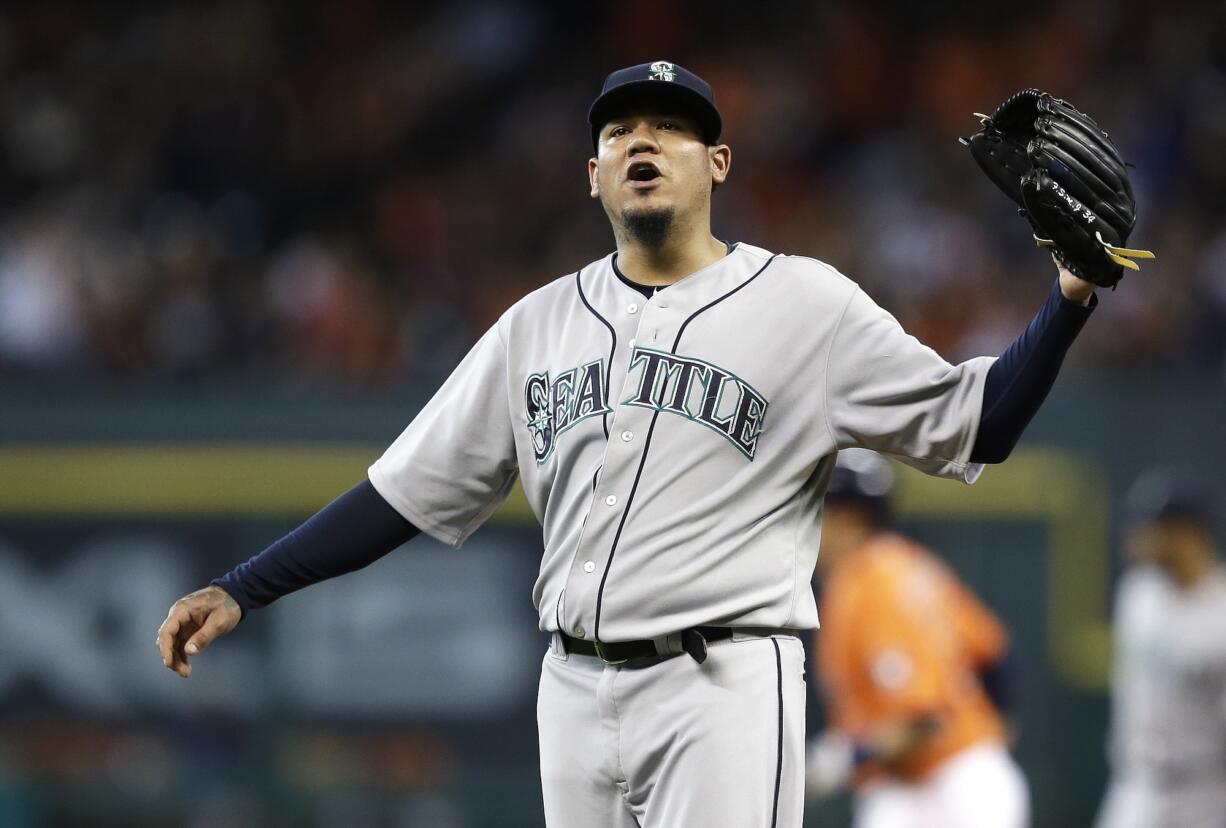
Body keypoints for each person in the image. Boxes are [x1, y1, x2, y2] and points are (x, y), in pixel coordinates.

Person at [157, 61, 1109, 826]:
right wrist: (244, 587)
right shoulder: (534, 327)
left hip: (723, 682)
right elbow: (400, 493)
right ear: (595, 174)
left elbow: (976, 424)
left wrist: (1068, 297)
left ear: (718, 164)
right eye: (619, 131)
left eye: (671, 127)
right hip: (570, 686)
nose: (642, 140)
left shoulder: (806, 304)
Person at [806, 449, 1028, 828]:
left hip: (949, 789)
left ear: (847, 517)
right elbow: (993, 650)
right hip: (956, 778)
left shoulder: (868, 583)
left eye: (815, 509)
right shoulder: (908, 563)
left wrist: (846, 757)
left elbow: (921, 722)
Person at [1094, 472, 1226, 828]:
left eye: (1153, 528)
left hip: (1205, 792)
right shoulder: (1137, 592)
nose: (1136, 537)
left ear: (1189, 534)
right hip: (1133, 786)